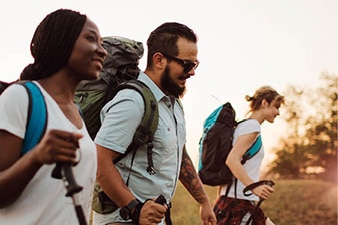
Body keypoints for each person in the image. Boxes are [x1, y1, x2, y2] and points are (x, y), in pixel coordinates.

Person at [93, 22, 217, 225]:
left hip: (154, 218)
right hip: (123, 219)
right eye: (187, 64)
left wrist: (203, 201)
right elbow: (99, 159)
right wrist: (135, 209)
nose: (192, 72)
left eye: (195, 65)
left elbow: (179, 153)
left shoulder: (173, 104)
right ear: (159, 60)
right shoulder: (132, 101)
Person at [0, 9, 107, 224]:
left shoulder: (77, 111)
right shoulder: (21, 97)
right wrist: (36, 157)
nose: (102, 51)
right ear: (61, 41)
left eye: (102, 43)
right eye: (91, 38)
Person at [213, 86, 285, 225]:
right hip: (238, 202)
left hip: (233, 200)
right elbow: (231, 160)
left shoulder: (243, 126)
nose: (278, 112)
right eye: (276, 107)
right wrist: (253, 186)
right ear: (264, 103)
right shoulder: (252, 127)